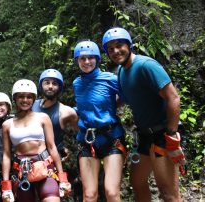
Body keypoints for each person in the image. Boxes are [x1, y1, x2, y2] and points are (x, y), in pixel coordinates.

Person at [102, 27, 185, 202]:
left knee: (168, 193)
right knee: (137, 182)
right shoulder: (122, 72)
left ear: (129, 45)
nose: (116, 51)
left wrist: (171, 134)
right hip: (144, 137)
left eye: (119, 45)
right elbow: (126, 97)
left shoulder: (146, 65)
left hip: (162, 135)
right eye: (110, 49)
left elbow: (173, 98)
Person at [72, 40, 126, 202]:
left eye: (90, 58)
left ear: (97, 59)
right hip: (87, 140)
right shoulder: (77, 83)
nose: (87, 62)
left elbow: (125, 97)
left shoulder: (110, 79)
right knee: (89, 195)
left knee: (111, 192)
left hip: (111, 137)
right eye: (82, 58)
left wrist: (110, 107)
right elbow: (84, 106)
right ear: (77, 61)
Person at [1, 79, 71, 202]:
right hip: (21, 172)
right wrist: (6, 186)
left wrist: (62, 178)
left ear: (33, 99)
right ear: (15, 99)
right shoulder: (7, 124)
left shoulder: (43, 118)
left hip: (45, 168)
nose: (25, 100)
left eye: (29, 97)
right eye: (21, 96)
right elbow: (6, 155)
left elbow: (52, 147)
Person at [32, 69, 78, 159]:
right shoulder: (31, 105)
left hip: (53, 159)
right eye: (47, 83)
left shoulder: (66, 112)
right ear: (41, 85)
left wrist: (68, 149)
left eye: (54, 83)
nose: (50, 86)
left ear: (59, 87)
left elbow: (79, 134)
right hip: (31, 157)